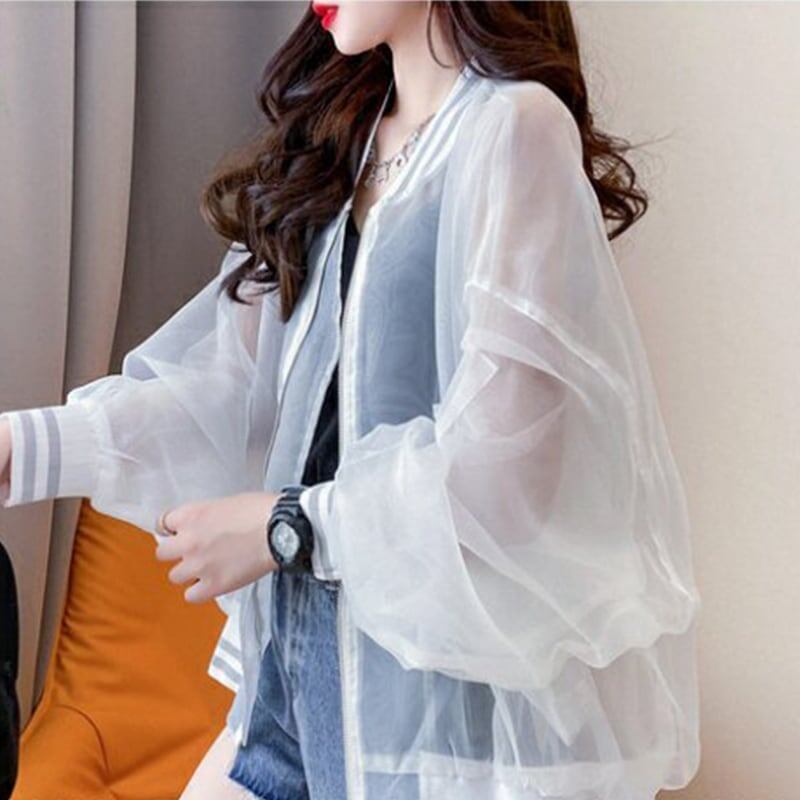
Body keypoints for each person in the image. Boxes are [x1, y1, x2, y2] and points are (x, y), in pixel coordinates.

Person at [0, 2, 703, 799]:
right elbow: (227, 386)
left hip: (433, 716)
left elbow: (510, 478)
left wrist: (286, 526)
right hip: (287, 683)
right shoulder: (341, 141)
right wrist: (22, 447)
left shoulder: (513, 128)